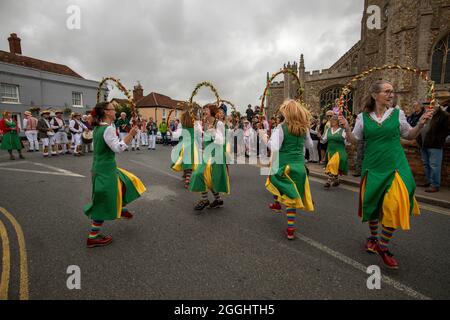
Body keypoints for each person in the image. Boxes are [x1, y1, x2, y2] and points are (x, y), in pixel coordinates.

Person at [342, 80, 433, 269]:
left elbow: (409, 135)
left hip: (396, 166)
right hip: (373, 166)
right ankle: (373, 238)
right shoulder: (363, 117)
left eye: (392, 91)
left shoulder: (398, 114)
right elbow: (354, 140)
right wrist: (346, 127)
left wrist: (421, 124)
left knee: (395, 204)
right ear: (375, 95)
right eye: (387, 91)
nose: (391, 94)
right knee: (373, 205)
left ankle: (383, 247)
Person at [83, 102, 146, 248]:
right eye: (113, 109)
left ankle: (120, 207)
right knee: (102, 202)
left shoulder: (98, 127)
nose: (115, 111)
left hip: (102, 167)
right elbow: (118, 148)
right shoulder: (107, 129)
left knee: (126, 182)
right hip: (105, 170)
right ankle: (93, 237)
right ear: (106, 112)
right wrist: (130, 135)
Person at [258, 100, 314, 240]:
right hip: (299, 167)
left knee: (286, 193)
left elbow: (274, 147)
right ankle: (278, 205)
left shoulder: (281, 128)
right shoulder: (304, 128)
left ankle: (290, 228)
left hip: (285, 166)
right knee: (289, 194)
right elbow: (310, 146)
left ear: (287, 112)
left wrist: (264, 137)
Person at [189, 103, 230, 210]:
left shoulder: (219, 124)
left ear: (211, 111)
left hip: (216, 154)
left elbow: (221, 141)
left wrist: (214, 133)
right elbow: (203, 140)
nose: (204, 112)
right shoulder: (205, 123)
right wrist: (200, 132)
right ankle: (218, 200)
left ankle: (205, 200)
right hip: (206, 154)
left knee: (200, 174)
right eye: (203, 110)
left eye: (206, 110)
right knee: (208, 178)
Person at [416, 98, 450, 193]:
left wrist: (439, 138)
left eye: (431, 104)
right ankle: (428, 181)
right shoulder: (426, 114)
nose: (429, 107)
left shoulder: (444, 115)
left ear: (437, 104)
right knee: (426, 164)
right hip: (423, 143)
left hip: (435, 144)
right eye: (427, 105)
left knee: (434, 165)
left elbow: (447, 130)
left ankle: (435, 185)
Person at [170, 111, 198, 189]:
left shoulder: (181, 125)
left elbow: (176, 135)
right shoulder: (195, 125)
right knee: (189, 162)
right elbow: (199, 134)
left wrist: (171, 131)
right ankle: (187, 177)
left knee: (185, 161)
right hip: (193, 145)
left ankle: (187, 178)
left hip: (184, 145)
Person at [321, 114, 348, 188]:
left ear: (338, 121)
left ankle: (328, 181)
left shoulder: (342, 131)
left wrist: (347, 138)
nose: (332, 121)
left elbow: (347, 143)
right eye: (331, 119)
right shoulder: (328, 130)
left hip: (339, 152)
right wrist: (320, 137)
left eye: (334, 120)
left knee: (332, 164)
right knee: (334, 167)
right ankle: (336, 180)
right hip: (330, 151)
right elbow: (323, 141)